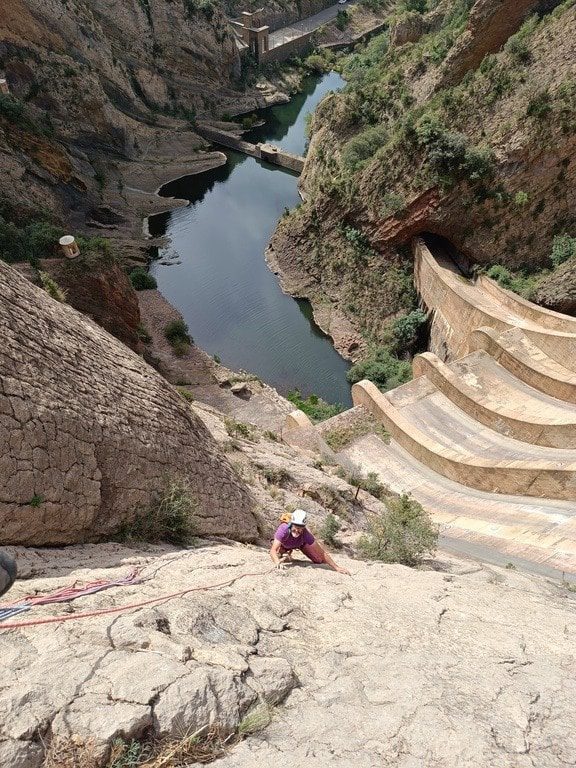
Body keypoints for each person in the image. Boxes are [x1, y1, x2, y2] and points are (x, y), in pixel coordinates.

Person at [270, 509, 350, 575]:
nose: (297, 530)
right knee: (277, 555)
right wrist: (277, 562)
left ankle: (287, 554)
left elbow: (322, 553)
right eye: (295, 527)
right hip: (284, 545)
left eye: (300, 528)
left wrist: (337, 568)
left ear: (304, 527)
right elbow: (273, 550)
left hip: (300, 545)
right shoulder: (283, 529)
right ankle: (286, 554)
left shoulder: (306, 534)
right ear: (291, 524)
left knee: (318, 560)